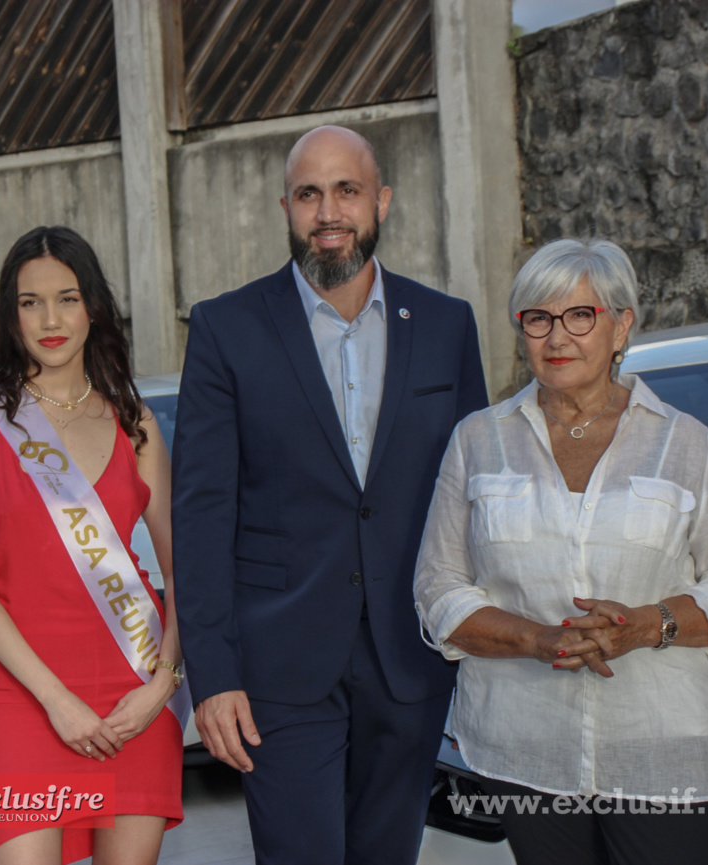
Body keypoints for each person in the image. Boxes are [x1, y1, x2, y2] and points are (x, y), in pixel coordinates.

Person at [172, 125, 488, 864]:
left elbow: (475, 497)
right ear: (286, 206)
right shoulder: (226, 328)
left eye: (346, 189)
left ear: (380, 200)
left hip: (410, 661)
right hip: (277, 671)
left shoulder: (445, 325)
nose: (328, 211)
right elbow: (202, 511)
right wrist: (212, 678)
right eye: (309, 194)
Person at [414, 237, 708, 865]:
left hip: (663, 751)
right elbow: (439, 584)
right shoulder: (477, 441)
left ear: (621, 325)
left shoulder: (686, 444)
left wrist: (646, 626)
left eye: (580, 316)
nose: (557, 338)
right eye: (538, 318)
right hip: (524, 751)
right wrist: (535, 639)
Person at [0, 226, 188, 865]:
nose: (50, 319)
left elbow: (188, 567)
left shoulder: (136, 421)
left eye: (67, 298)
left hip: (134, 696)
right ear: (9, 314)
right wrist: (57, 702)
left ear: (92, 307)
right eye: (30, 302)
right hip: (22, 700)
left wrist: (164, 682)